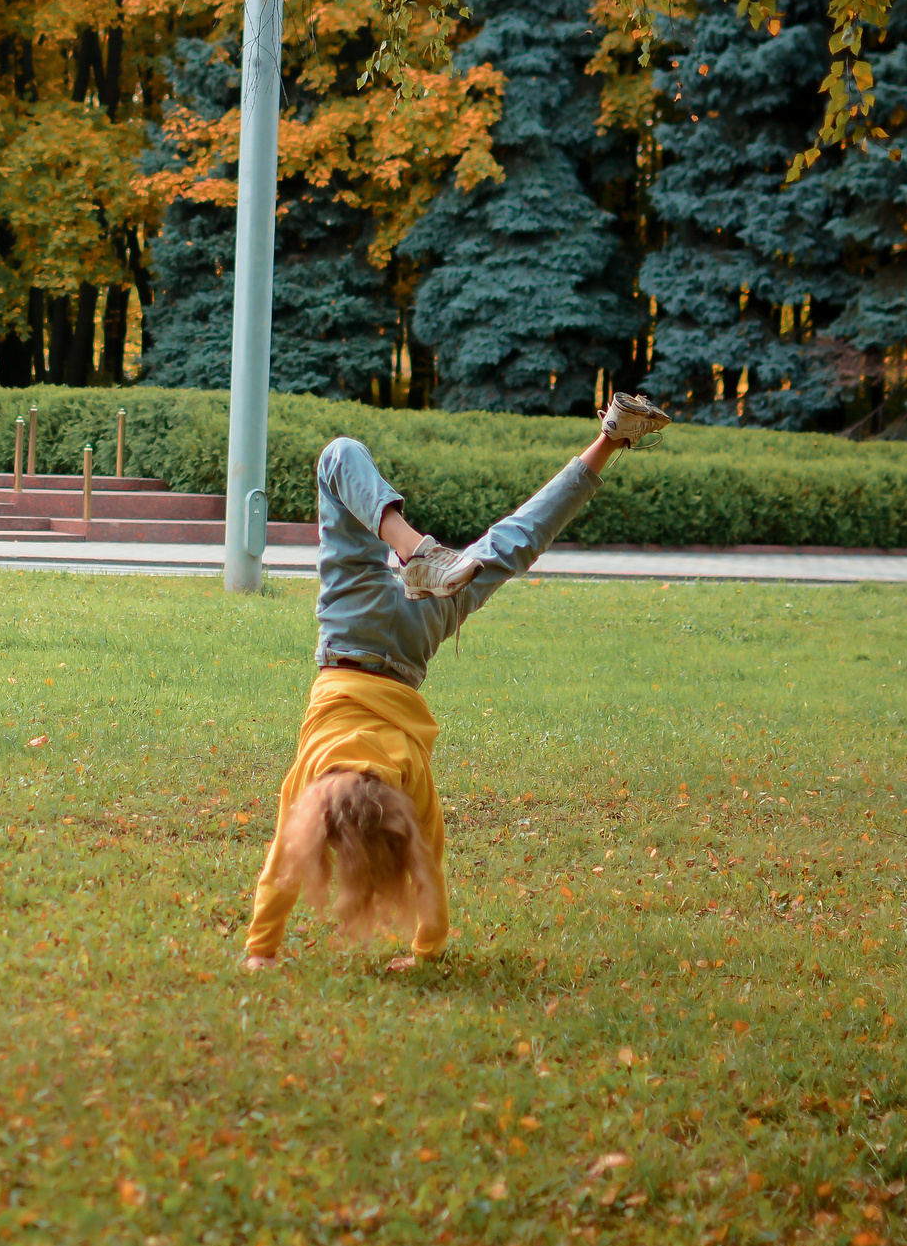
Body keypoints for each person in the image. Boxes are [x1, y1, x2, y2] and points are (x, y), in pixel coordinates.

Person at [241, 392, 671, 971]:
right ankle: (415, 550)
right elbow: (282, 860)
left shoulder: (407, 778)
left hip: (412, 640)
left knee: (514, 542)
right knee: (337, 457)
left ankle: (613, 438)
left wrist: (426, 951)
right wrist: (259, 947)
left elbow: (429, 865)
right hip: (351, 628)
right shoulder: (314, 776)